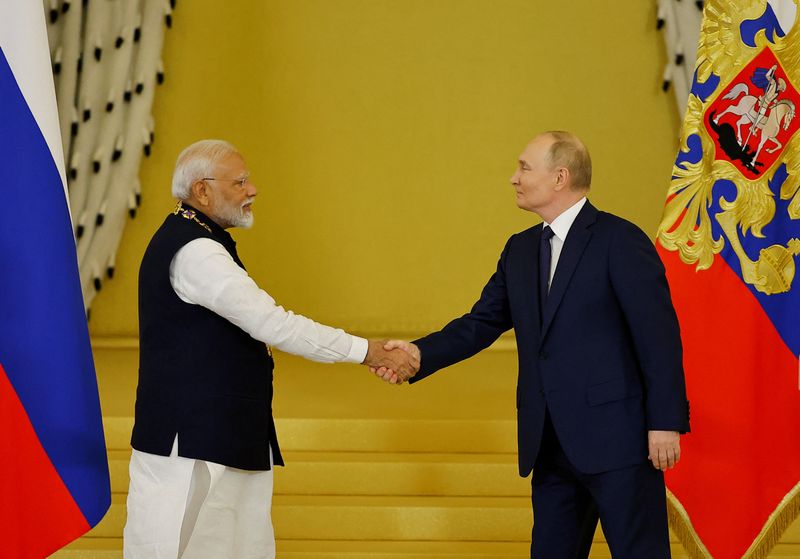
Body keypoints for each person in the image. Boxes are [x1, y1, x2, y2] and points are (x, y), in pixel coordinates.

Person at [374, 131, 690, 558]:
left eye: (524, 167)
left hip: (620, 443)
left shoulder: (620, 240)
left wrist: (664, 422)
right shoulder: (520, 250)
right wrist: (418, 353)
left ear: (560, 177)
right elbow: (480, 323)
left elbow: (659, 337)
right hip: (549, 443)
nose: (513, 178)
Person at [123, 139, 418, 558]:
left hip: (215, 436)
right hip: (192, 445)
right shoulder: (197, 252)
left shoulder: (197, 238)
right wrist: (367, 351)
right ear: (202, 191)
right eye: (240, 182)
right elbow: (273, 323)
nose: (252, 190)